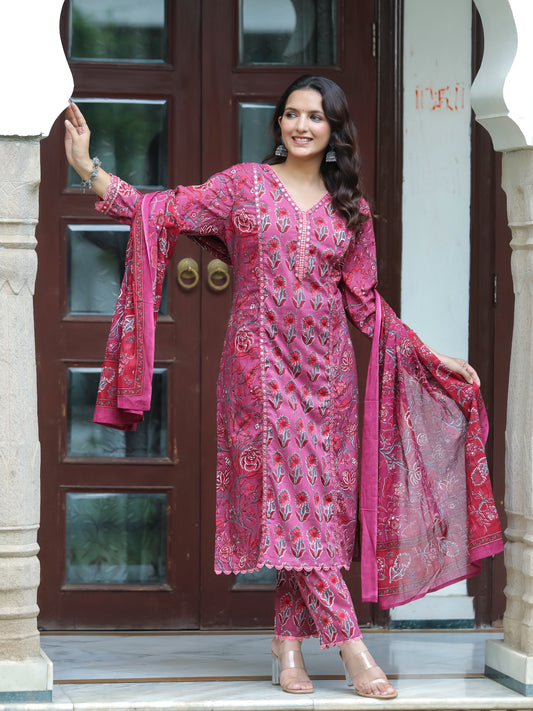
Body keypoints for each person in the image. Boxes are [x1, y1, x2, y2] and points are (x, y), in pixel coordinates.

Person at [64, 75, 502, 699]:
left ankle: (286, 647)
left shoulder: (350, 210)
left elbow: (365, 304)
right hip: (259, 378)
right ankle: (354, 651)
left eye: (315, 118)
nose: (301, 125)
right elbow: (162, 210)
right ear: (278, 125)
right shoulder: (244, 187)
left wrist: (429, 356)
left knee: (311, 515)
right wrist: (90, 170)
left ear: (333, 131)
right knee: (296, 505)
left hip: (330, 388)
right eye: (291, 115)